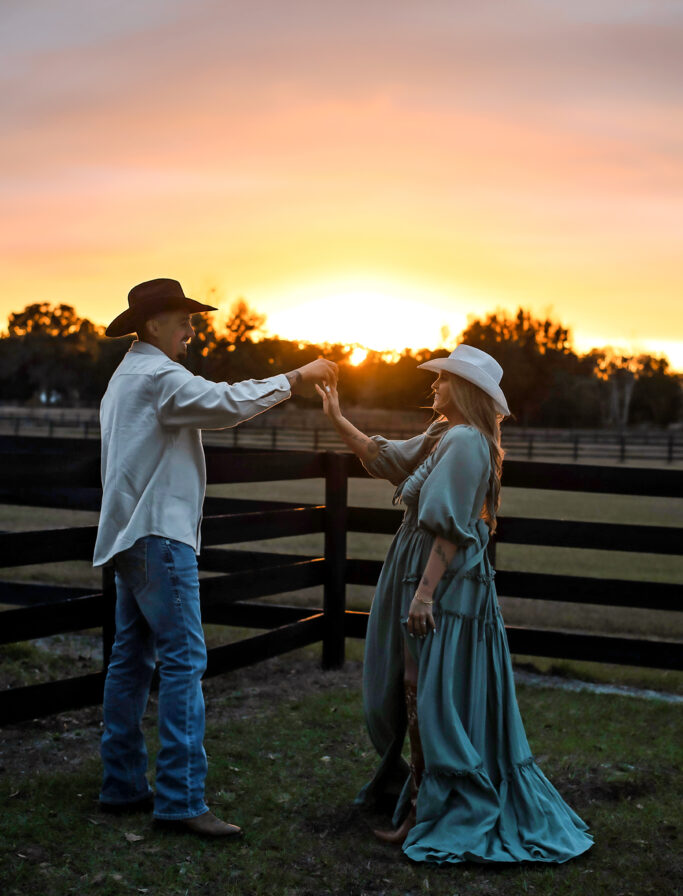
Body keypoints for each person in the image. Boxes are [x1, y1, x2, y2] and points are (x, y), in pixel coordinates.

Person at [316, 344, 593, 864]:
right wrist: (336, 417)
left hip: (443, 583)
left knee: (426, 691)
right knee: (411, 687)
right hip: (419, 570)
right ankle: (421, 799)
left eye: (441, 380)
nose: (434, 387)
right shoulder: (445, 434)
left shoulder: (468, 442)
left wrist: (424, 594)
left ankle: (429, 805)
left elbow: (453, 528)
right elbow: (388, 459)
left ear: (462, 389)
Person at [94, 278, 337, 837]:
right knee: (183, 662)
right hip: (159, 536)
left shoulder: (123, 379)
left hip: (131, 538)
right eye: (183, 317)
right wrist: (295, 378)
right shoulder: (158, 376)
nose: (191, 326)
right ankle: (180, 801)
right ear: (153, 324)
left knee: (131, 659)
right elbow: (225, 405)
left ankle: (123, 784)